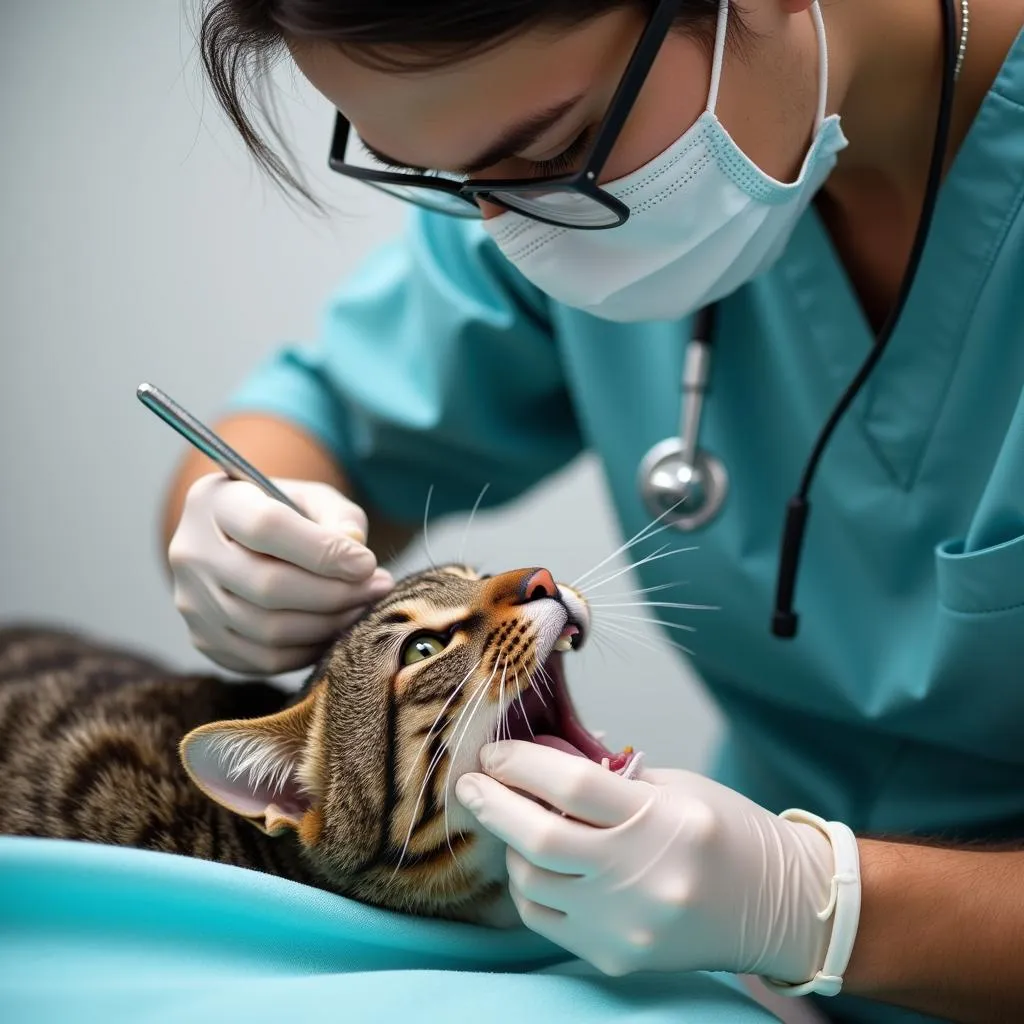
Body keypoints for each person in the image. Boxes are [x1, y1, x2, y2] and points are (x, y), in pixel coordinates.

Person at [162, 1, 1024, 1021]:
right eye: (446, 181)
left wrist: (819, 907)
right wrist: (237, 520)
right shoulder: (559, 184)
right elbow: (311, 425)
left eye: (554, 148)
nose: (513, 232)